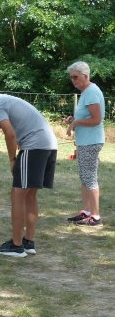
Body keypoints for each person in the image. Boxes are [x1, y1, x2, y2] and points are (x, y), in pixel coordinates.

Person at [0, 73, 58, 258]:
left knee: (17, 194)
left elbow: (10, 133)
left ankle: (16, 246)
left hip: (34, 147)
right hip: (49, 145)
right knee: (30, 194)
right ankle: (28, 242)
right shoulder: (5, 99)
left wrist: (12, 160)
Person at [64, 61, 105, 226]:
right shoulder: (86, 92)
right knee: (84, 177)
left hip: (91, 142)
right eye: (71, 77)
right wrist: (74, 120)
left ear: (86, 76)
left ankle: (95, 216)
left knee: (89, 178)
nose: (73, 80)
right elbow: (87, 117)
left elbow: (96, 120)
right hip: (85, 141)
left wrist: (75, 123)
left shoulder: (91, 92)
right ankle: (86, 211)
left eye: (76, 77)